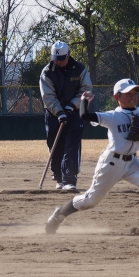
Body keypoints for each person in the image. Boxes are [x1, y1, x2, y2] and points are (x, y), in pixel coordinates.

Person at [44, 78, 139, 235]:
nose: (133, 96)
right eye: (128, 93)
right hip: (111, 163)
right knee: (90, 200)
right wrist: (84, 101)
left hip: (132, 162)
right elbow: (85, 116)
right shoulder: (113, 116)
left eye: (135, 93)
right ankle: (59, 215)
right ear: (117, 97)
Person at [39, 41, 92, 191]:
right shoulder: (47, 72)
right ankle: (59, 177)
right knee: (54, 145)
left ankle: (69, 179)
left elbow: (86, 90)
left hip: (75, 113)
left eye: (61, 58)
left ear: (68, 55)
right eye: (55, 59)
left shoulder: (80, 69)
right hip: (53, 113)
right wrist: (60, 112)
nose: (58, 61)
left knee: (72, 145)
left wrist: (71, 106)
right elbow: (48, 96)